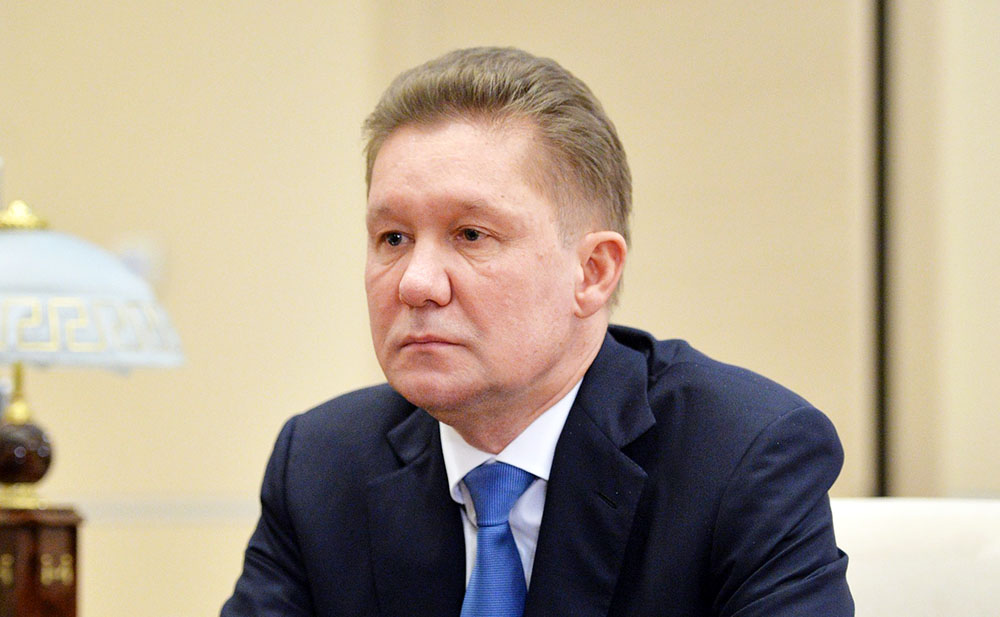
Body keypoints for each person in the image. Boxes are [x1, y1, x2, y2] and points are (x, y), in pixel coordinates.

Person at [221, 47, 853, 617]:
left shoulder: (743, 458)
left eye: (471, 235)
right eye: (393, 238)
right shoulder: (322, 467)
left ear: (593, 271)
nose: (416, 283)